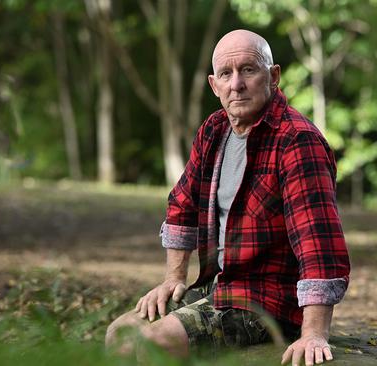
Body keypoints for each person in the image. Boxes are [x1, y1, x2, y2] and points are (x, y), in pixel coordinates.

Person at [105, 29, 350, 366]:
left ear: (273, 76)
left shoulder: (298, 141)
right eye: (226, 74)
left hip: (267, 300)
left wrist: (314, 332)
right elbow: (182, 205)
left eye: (248, 70)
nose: (236, 84)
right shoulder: (214, 130)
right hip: (218, 286)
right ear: (214, 84)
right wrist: (173, 280)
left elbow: (317, 242)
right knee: (119, 334)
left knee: (154, 342)